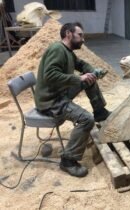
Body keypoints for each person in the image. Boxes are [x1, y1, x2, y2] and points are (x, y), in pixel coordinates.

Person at [35, 22, 110, 177]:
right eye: (80, 35)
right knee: (86, 120)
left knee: (89, 79)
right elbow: (50, 76)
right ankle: (68, 160)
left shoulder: (67, 51)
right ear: (68, 34)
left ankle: (100, 111)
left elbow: (81, 64)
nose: (83, 39)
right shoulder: (57, 50)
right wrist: (78, 78)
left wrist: (92, 72)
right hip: (52, 101)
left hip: (59, 93)